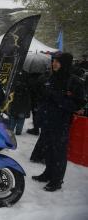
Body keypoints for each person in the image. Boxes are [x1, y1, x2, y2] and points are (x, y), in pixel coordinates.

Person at [32, 52, 85, 192]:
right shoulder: (51, 77)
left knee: (59, 153)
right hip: (47, 121)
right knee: (48, 150)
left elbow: (78, 105)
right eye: (53, 61)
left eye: (58, 61)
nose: (54, 64)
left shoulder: (74, 82)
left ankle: (57, 180)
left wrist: (57, 97)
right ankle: (48, 173)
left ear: (65, 63)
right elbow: (44, 98)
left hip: (61, 123)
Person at [6, 71, 31, 135]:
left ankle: (10, 130)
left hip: (14, 105)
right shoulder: (27, 87)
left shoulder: (15, 85)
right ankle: (18, 131)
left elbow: (11, 96)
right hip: (23, 106)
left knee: (12, 118)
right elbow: (28, 100)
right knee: (21, 120)